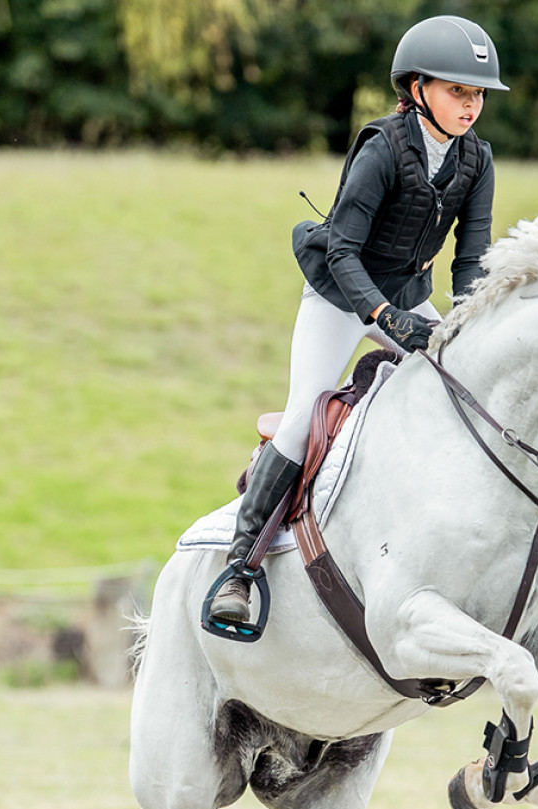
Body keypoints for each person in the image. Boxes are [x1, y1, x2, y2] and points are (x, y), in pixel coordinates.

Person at [206, 14, 508, 629]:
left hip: (408, 296)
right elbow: (343, 251)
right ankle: (239, 569)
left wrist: (469, 327)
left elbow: (471, 260)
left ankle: (503, 565)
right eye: (458, 91)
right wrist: (384, 318)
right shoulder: (381, 149)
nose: (470, 105)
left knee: (476, 397)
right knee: (301, 418)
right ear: (417, 88)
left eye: (477, 94)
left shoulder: (477, 161)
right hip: (341, 298)